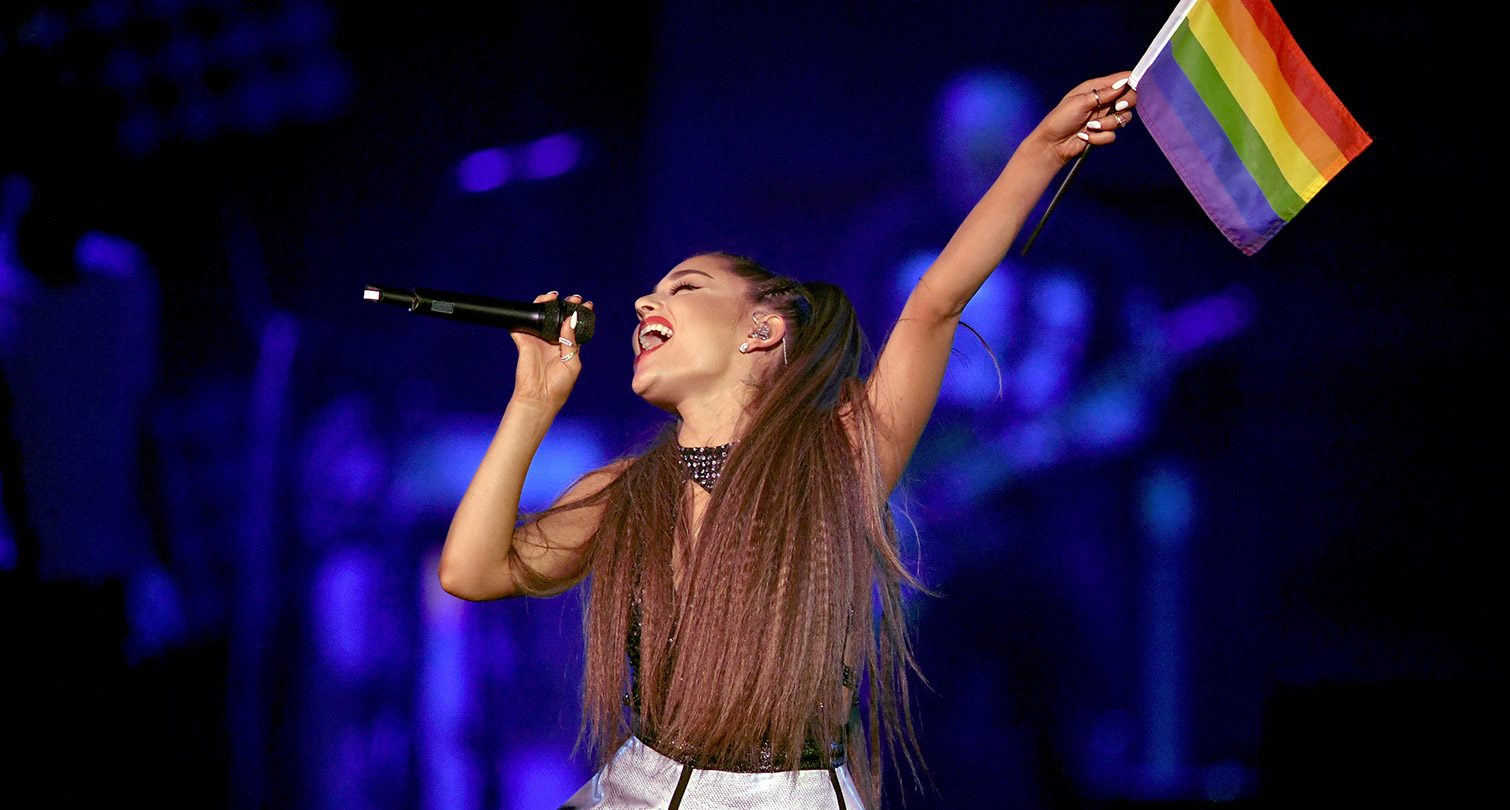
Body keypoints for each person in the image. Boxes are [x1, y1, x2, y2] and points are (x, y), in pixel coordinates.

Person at [438, 72, 1137, 810]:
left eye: (685, 287)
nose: (647, 302)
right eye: (651, 292)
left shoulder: (836, 462)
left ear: (761, 331)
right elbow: (471, 571)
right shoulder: (622, 489)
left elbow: (935, 302)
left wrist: (1040, 151)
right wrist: (532, 401)